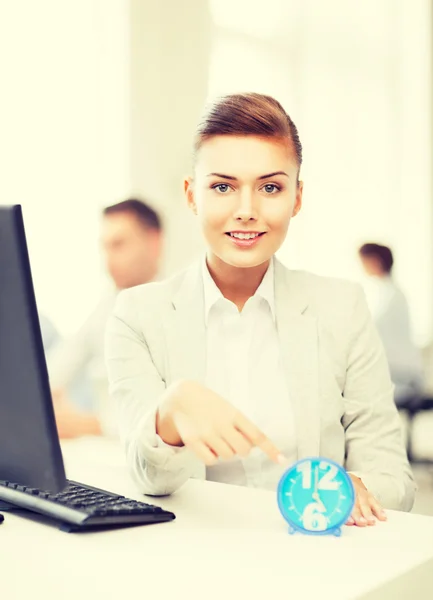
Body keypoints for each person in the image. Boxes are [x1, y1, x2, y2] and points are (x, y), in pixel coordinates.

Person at [106, 93, 415, 528]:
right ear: (192, 196)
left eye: (270, 187)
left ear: (297, 197)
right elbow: (147, 477)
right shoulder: (137, 315)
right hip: (191, 559)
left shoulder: (342, 308)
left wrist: (355, 487)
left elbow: (394, 480)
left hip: (318, 558)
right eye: (222, 187)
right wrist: (169, 415)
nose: (247, 211)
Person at [48, 198, 163, 438]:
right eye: (105, 247)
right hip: (101, 450)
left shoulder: (177, 309)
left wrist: (91, 426)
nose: (108, 261)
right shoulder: (108, 307)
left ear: (154, 243)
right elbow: (58, 367)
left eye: (119, 245)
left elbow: (167, 418)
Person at [358, 243, 424, 406]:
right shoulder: (385, 292)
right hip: (395, 372)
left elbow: (367, 330)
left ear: (375, 261)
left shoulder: (389, 296)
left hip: (400, 377)